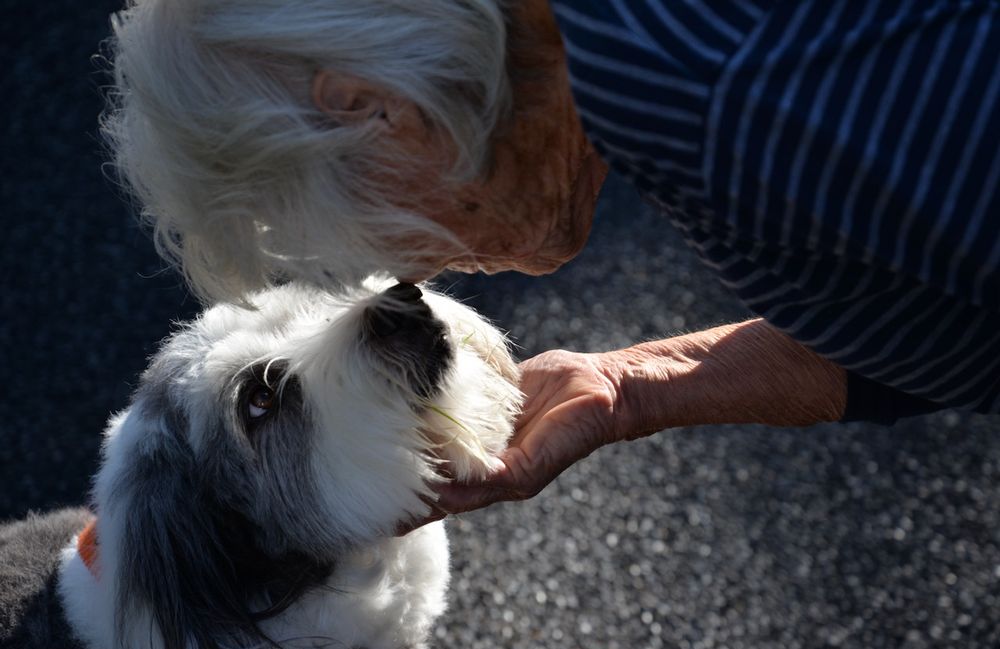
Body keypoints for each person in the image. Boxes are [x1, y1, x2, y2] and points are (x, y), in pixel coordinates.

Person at [104, 0, 999, 525]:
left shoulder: (733, 107)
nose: (408, 269)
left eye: (356, 229)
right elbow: (934, 307)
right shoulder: (649, 73)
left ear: (373, 109)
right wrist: (636, 387)